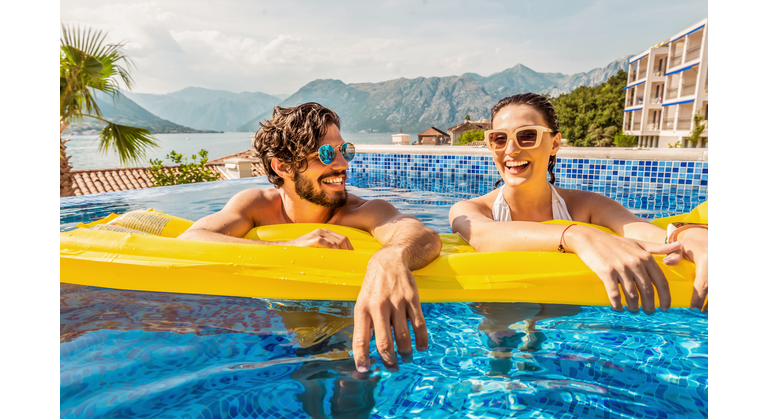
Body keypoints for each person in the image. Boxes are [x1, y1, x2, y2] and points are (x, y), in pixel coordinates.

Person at [178, 102, 443, 372]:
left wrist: (389, 257)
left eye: (345, 150)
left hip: (350, 338)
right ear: (283, 166)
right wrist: (288, 247)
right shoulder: (256, 206)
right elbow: (191, 240)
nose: (342, 165)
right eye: (326, 154)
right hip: (274, 334)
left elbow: (422, 235)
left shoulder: (362, 211)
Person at [449, 93, 708, 313]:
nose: (511, 150)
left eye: (527, 136)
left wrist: (687, 234)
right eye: (499, 138)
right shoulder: (471, 210)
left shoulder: (587, 206)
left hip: (563, 317)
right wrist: (576, 235)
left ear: (555, 143)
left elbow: (643, 231)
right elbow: (482, 236)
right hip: (498, 311)